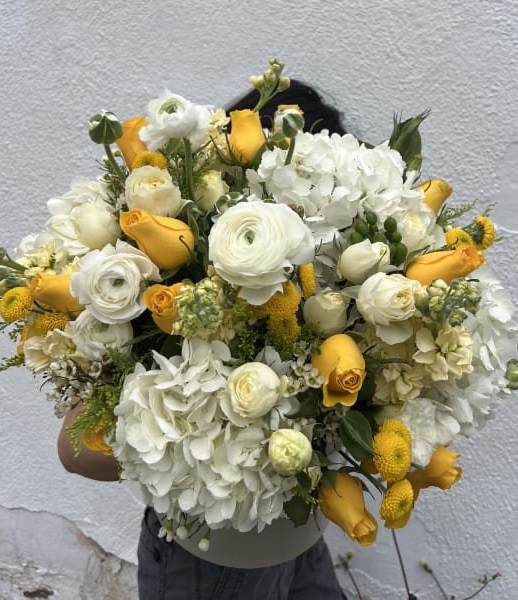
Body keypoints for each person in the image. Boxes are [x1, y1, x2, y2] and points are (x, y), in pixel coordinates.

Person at [58, 81, 349, 600]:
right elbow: (76, 451)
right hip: (212, 559)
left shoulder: (340, 276)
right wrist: (182, 454)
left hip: (303, 534)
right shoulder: (149, 282)